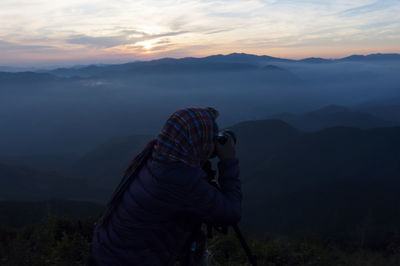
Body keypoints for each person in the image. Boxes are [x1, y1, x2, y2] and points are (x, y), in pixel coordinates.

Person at [89, 107, 242, 266]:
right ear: (197, 141)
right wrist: (228, 160)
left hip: (104, 252)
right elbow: (230, 213)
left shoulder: (157, 156)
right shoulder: (183, 180)